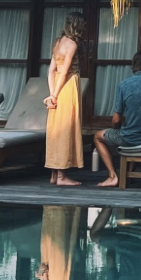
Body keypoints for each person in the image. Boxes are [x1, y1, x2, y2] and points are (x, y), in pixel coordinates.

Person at [94, 50, 141, 188]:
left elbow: (116, 119)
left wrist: (117, 128)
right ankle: (129, 174)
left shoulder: (124, 85)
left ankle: (113, 176)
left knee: (98, 136)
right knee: (138, 130)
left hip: (130, 138)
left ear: (133, 66)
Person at [45, 12, 85, 187]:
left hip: (57, 89)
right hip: (68, 87)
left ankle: (54, 174)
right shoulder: (72, 44)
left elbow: (51, 70)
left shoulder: (57, 42)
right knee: (65, 129)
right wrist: (55, 95)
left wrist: (52, 93)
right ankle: (61, 176)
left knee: (55, 129)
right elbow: (65, 71)